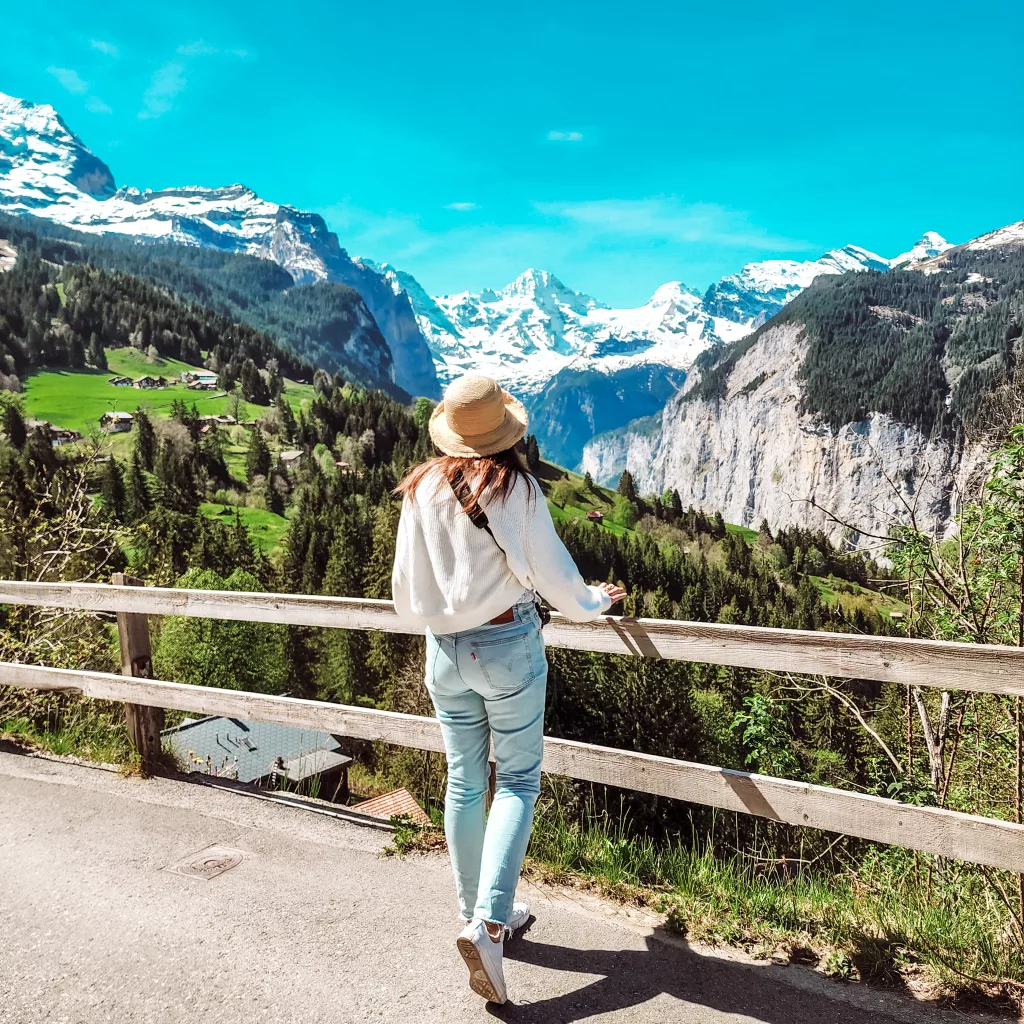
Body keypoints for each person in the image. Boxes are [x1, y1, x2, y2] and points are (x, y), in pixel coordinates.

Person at [392, 374, 626, 1005]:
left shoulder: (420, 488)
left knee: (465, 780)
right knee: (518, 780)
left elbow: (405, 586)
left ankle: (474, 910)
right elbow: (554, 577)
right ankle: (491, 924)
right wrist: (595, 601)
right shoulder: (512, 488)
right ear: (505, 433)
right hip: (504, 646)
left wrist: (442, 625)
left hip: (443, 651)